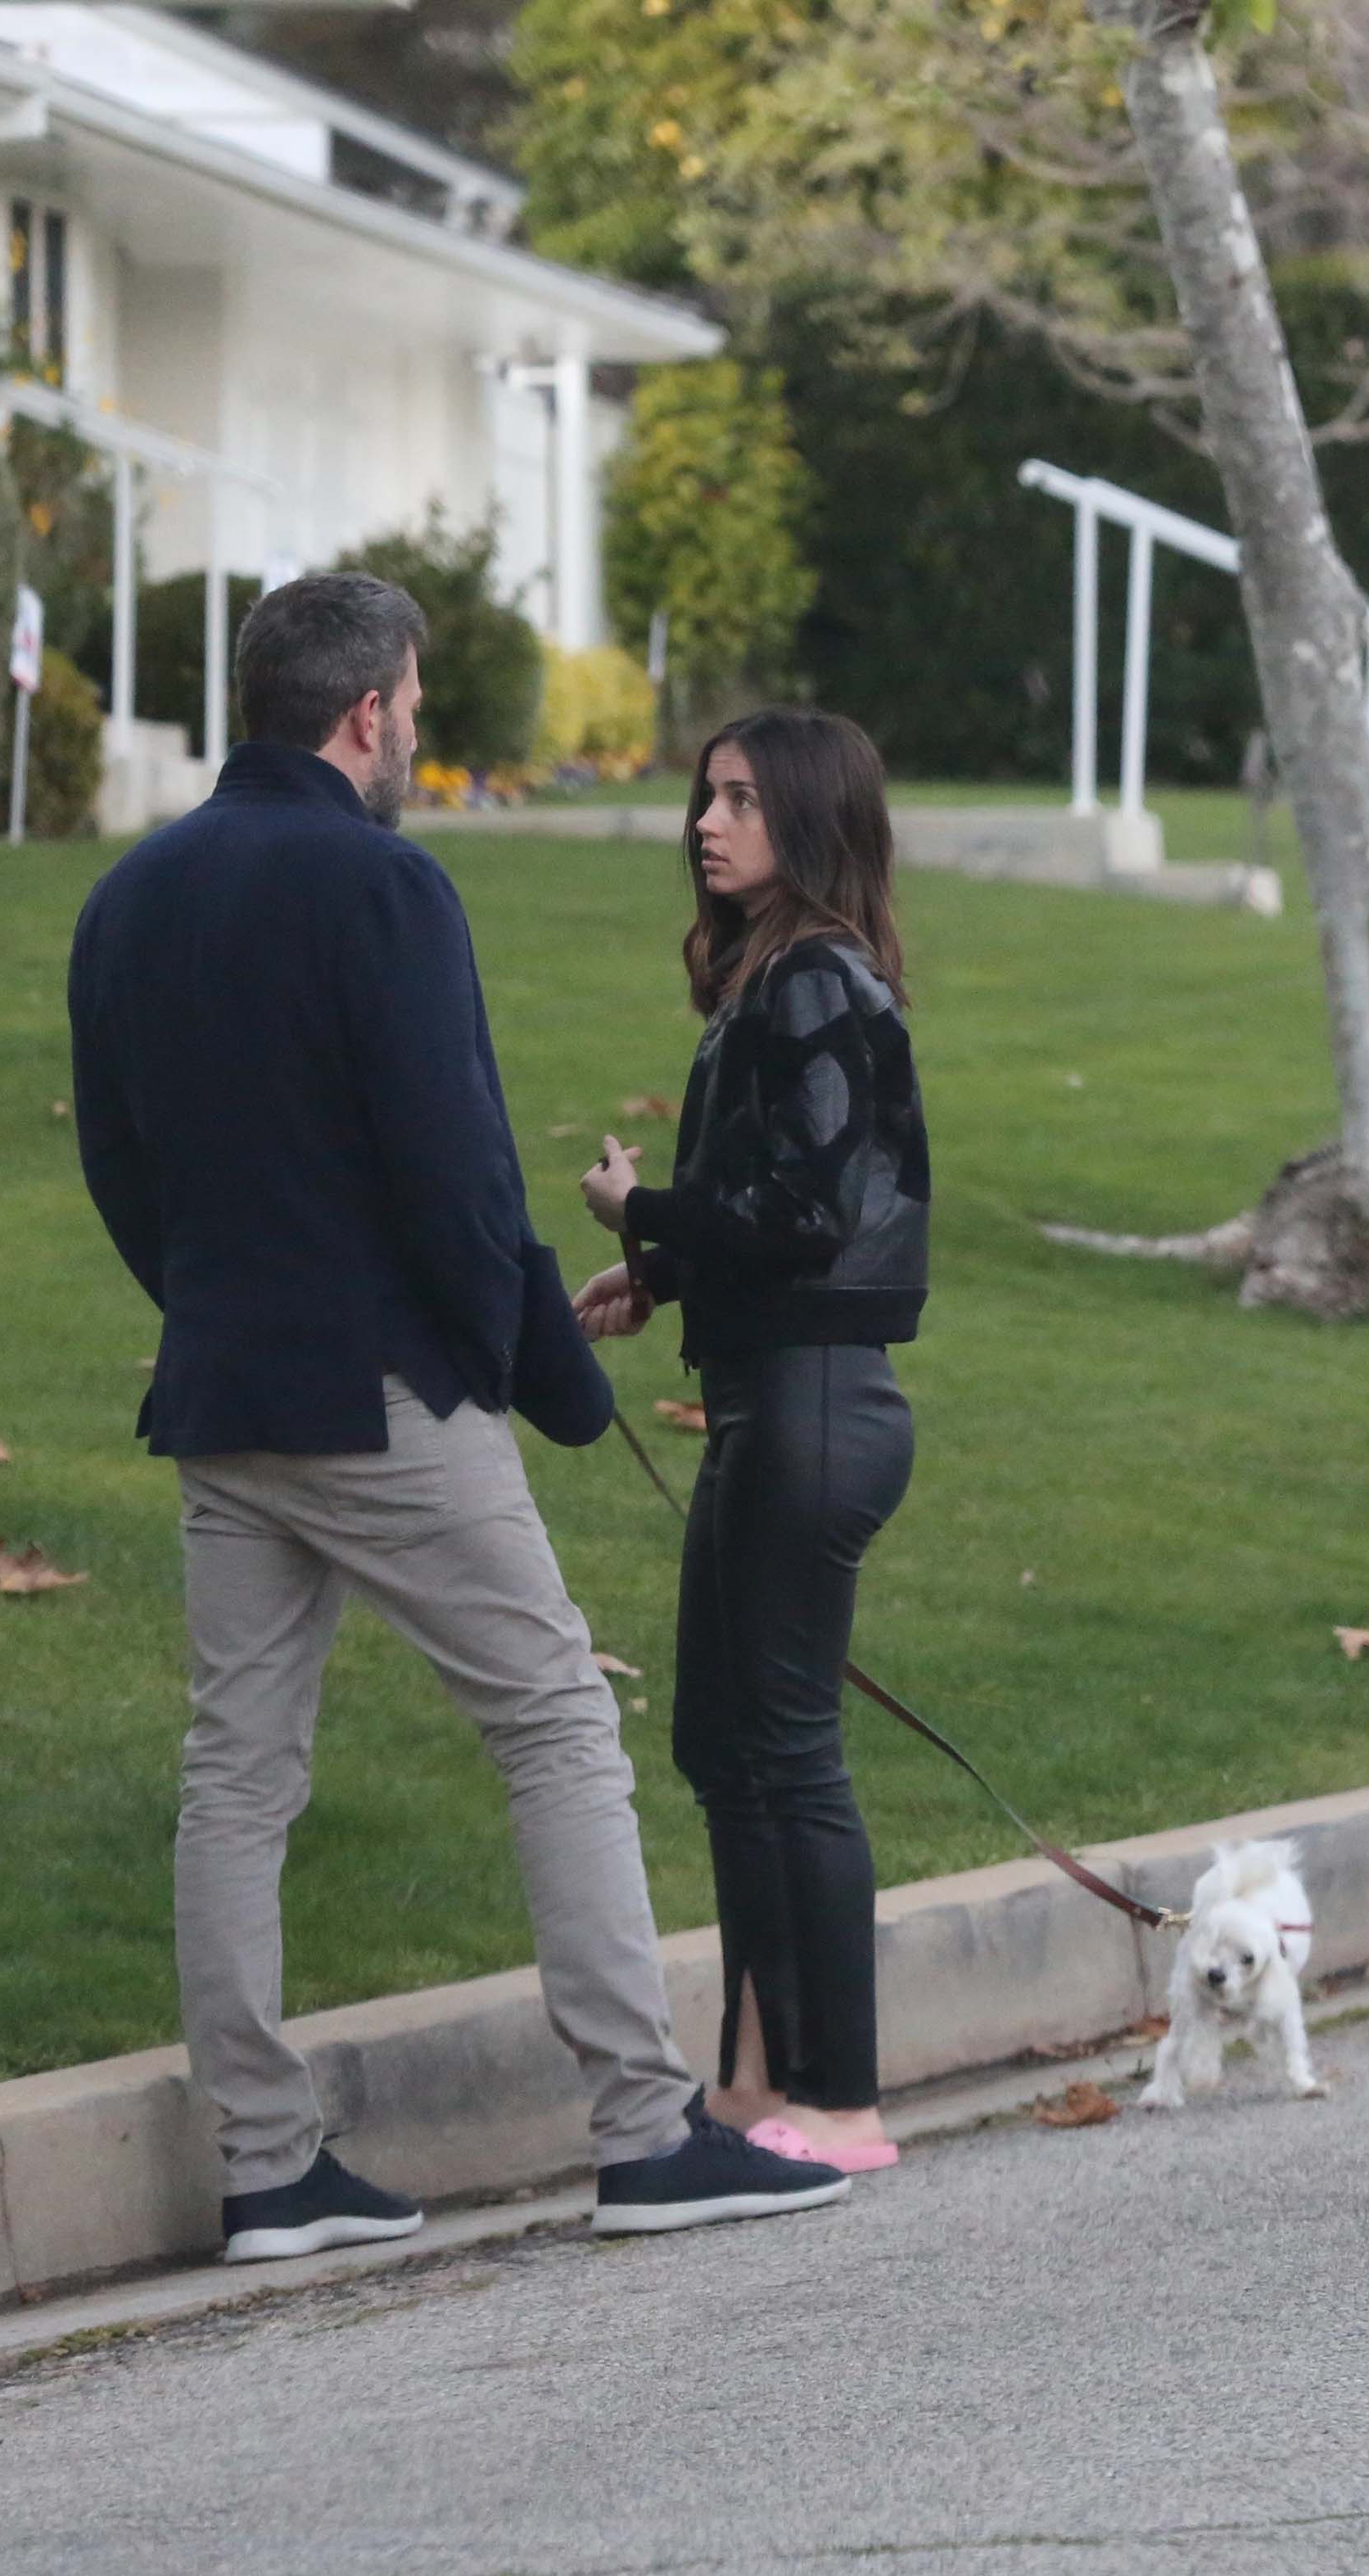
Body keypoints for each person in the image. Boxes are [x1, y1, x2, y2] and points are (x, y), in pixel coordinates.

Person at [67, 576, 848, 2257]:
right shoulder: (384, 886)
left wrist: (211, 1304)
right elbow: (458, 1174)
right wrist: (556, 1380)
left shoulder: (129, 893)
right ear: (367, 713)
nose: (414, 733)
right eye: (412, 708)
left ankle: (267, 2164)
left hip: (221, 1389)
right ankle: (647, 2132)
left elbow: (119, 1165)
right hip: (376, 1394)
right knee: (555, 1718)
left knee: (236, 1773)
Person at [576, 708, 928, 2174]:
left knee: (781, 1751)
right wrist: (660, 1275)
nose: (707, 824)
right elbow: (793, 1208)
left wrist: (639, 1212)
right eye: (705, 797)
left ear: (809, 819)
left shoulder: (814, 978)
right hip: (774, 1399)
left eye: (739, 800)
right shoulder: (775, 980)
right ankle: (750, 2087)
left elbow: (812, 1214)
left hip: (813, 1408)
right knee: (723, 1743)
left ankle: (838, 2103)